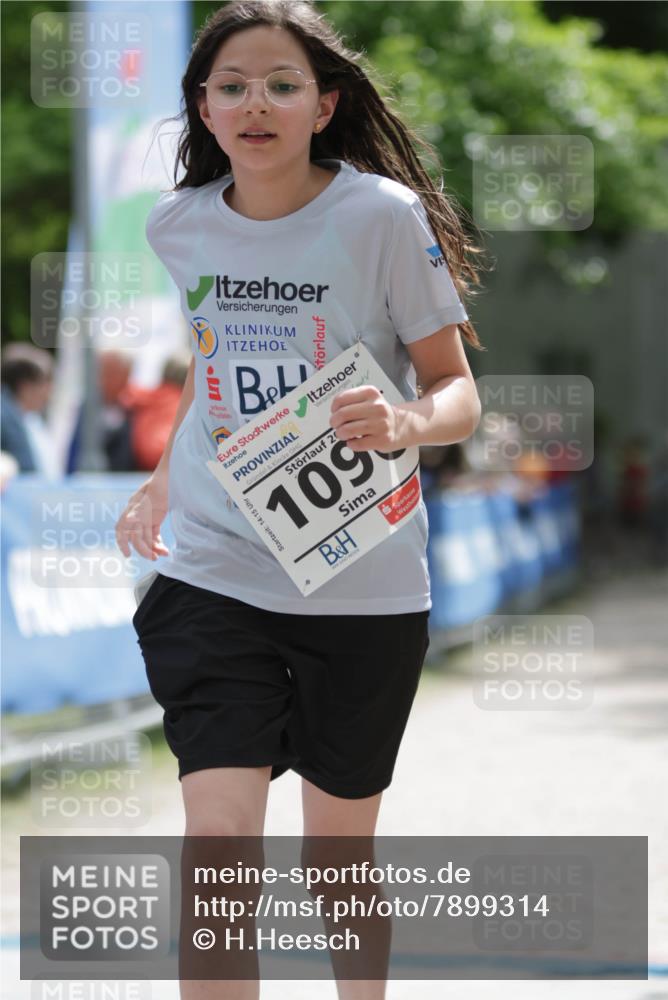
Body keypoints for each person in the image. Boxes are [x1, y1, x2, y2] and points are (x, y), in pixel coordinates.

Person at [115, 2, 484, 996]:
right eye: (230, 85)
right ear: (202, 104)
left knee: (335, 859)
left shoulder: (379, 218)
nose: (255, 103)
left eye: (281, 84)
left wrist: (406, 423)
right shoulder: (177, 224)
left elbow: (454, 389)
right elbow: (211, 362)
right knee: (220, 839)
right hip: (212, 567)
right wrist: (161, 480)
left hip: (357, 584)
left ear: (324, 105)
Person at [0, 344, 54, 473]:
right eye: (45, 382)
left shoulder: (30, 420)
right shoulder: (5, 419)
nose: (49, 391)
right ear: (25, 387)